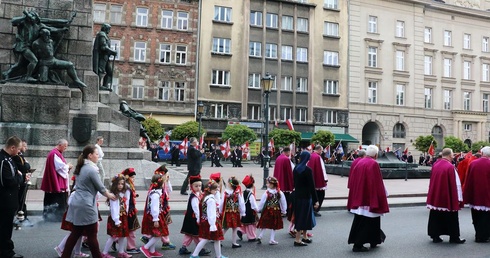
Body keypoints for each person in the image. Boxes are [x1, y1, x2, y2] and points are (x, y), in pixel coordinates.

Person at [61, 145, 116, 258]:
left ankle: (65, 256)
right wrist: (110, 195)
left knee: (76, 233)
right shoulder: (91, 169)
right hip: (86, 204)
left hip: (78, 202)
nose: (98, 156)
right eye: (96, 154)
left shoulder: (81, 167)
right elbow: (100, 187)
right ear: (90, 156)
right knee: (92, 235)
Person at [347, 145, 389, 252]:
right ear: (375, 155)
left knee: (365, 220)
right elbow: (377, 181)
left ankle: (375, 240)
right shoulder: (374, 163)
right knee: (367, 221)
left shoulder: (360, 162)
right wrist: (383, 193)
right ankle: (358, 244)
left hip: (360, 196)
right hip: (369, 198)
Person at [426, 148, 465, 244]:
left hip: (436, 195)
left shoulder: (435, 165)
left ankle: (435, 235)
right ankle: (454, 237)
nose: (453, 157)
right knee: (451, 216)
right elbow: (456, 184)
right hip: (447, 196)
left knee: (436, 215)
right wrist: (459, 198)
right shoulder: (450, 167)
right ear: (449, 155)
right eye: (452, 155)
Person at [0, 136, 25, 258]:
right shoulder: (3, 160)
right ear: (12, 147)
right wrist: (21, 178)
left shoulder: (9, 159)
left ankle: (6, 248)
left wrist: (19, 176)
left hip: (9, 198)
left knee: (6, 225)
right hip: (5, 200)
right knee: (5, 226)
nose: (19, 151)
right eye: (18, 149)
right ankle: (6, 251)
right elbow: (9, 181)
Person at [190, 180, 226, 258]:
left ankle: (218, 255)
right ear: (210, 190)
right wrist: (212, 225)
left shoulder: (206, 197)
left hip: (206, 220)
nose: (217, 191)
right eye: (215, 189)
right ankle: (194, 254)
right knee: (206, 238)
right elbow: (211, 213)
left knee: (215, 239)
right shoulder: (211, 200)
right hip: (211, 222)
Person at [41, 139, 73, 222]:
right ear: (60, 145)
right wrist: (68, 166)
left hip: (56, 180)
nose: (66, 148)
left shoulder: (55, 153)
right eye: (65, 146)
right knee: (58, 198)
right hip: (57, 182)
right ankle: (56, 217)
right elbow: (60, 167)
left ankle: (51, 216)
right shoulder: (55, 154)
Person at [178, 175, 211, 256]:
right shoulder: (194, 197)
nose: (198, 187)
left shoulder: (197, 194)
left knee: (189, 234)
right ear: (191, 186)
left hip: (191, 218)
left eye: (200, 186)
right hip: (194, 218)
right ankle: (200, 249)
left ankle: (183, 248)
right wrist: (198, 219)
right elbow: (196, 208)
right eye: (196, 186)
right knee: (196, 234)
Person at [463, 146, 490, 243]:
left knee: (476, 217)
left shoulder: (473, 164)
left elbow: (468, 180)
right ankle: (485, 236)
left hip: (475, 195)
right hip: (488, 196)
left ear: (482, 153)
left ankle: (478, 235)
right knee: (486, 218)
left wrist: (467, 194)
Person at [101, 175, 131, 258]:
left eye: (122, 184)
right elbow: (114, 209)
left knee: (122, 235)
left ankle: (121, 252)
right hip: (116, 218)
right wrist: (116, 220)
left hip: (123, 216)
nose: (120, 185)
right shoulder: (114, 195)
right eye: (118, 184)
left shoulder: (122, 194)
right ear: (115, 184)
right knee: (113, 236)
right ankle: (104, 253)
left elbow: (127, 198)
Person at [292, 151, 318, 247]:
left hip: (297, 196)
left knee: (300, 216)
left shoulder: (296, 169)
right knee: (304, 217)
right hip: (306, 197)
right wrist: (316, 200)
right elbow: (312, 186)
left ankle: (305, 237)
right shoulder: (308, 170)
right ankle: (298, 239)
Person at [139, 174, 167, 258]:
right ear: (161, 184)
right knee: (159, 234)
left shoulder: (155, 192)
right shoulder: (155, 194)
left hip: (155, 215)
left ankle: (152, 251)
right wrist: (156, 219)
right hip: (154, 216)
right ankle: (145, 247)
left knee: (154, 234)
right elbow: (154, 207)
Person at [257, 176, 287, 245]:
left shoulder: (267, 193)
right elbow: (283, 202)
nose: (267, 185)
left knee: (265, 223)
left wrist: (259, 209)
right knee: (274, 225)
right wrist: (284, 210)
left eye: (268, 183)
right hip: (275, 210)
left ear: (272, 184)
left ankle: (260, 236)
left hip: (267, 210)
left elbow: (262, 202)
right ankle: (271, 239)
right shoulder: (279, 193)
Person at [220, 176, 245, 248]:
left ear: (230, 184)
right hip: (235, 212)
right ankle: (234, 242)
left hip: (227, 212)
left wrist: (220, 210)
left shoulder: (225, 192)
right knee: (234, 228)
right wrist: (243, 212)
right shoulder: (238, 193)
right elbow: (241, 203)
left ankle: (219, 240)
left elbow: (222, 202)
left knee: (226, 227)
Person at [121, 168, 141, 254]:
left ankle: (115, 241)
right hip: (129, 211)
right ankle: (131, 247)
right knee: (131, 229)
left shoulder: (129, 185)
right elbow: (126, 199)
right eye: (132, 177)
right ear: (127, 177)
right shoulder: (127, 187)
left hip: (130, 210)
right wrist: (126, 211)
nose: (133, 179)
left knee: (127, 229)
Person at [93, 23, 117, 91]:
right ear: (105, 28)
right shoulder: (102, 35)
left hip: (106, 57)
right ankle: (99, 85)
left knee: (110, 72)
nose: (109, 30)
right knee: (101, 70)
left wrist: (111, 52)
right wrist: (112, 51)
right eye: (109, 29)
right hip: (102, 56)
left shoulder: (105, 35)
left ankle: (105, 85)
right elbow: (103, 47)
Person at [12, 139, 31, 224]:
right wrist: (26, 164)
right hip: (20, 180)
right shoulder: (16, 156)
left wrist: (26, 165)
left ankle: (23, 216)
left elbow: (27, 165)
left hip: (23, 179)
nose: (25, 148)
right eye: (24, 146)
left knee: (22, 199)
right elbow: (24, 167)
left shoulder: (20, 155)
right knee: (20, 200)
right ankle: (21, 216)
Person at [308, 145, 328, 217]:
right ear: (319, 150)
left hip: (311, 179)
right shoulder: (318, 157)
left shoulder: (310, 156)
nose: (322, 152)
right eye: (321, 150)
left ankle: (311, 209)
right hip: (318, 179)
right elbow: (322, 169)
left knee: (312, 195)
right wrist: (325, 179)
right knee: (320, 195)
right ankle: (315, 209)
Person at [238, 174, 259, 242]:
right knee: (251, 224)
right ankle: (251, 237)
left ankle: (241, 231)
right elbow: (253, 204)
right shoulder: (250, 194)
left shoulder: (244, 192)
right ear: (252, 184)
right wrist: (257, 209)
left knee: (245, 222)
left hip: (244, 210)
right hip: (250, 211)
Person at [273, 147, 295, 211]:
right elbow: (289, 171)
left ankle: (280, 209)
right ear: (288, 152)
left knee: (280, 197)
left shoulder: (278, 158)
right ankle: (285, 210)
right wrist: (291, 182)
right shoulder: (286, 159)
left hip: (279, 180)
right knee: (285, 197)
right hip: (285, 181)